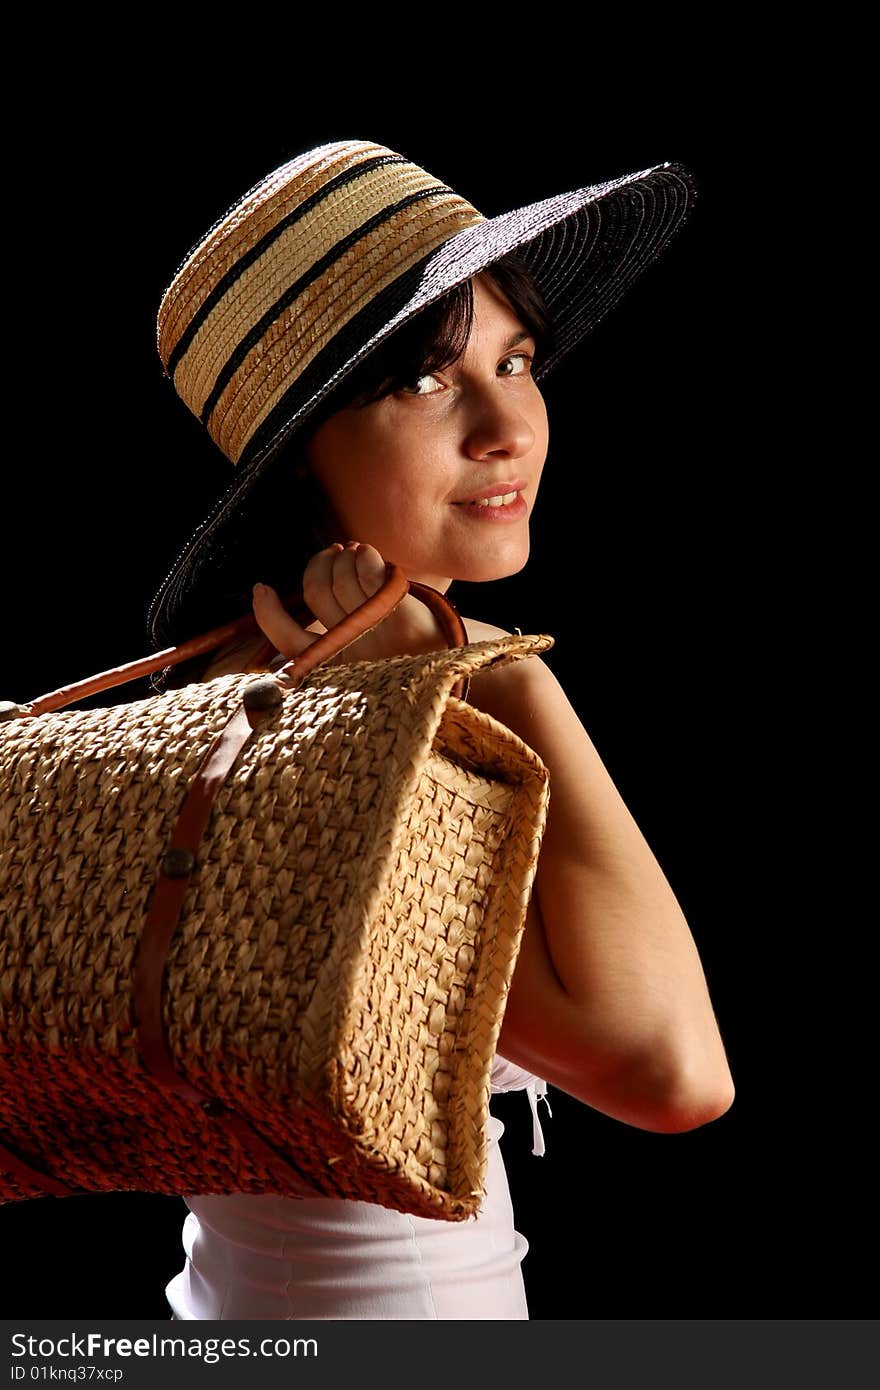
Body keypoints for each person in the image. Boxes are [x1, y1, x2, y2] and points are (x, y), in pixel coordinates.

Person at [148, 137, 735, 1320]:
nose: (506, 428)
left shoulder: (231, 694)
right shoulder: (321, 734)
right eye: (424, 380)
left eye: (516, 362)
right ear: (295, 463)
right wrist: (512, 680)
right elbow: (672, 1071)